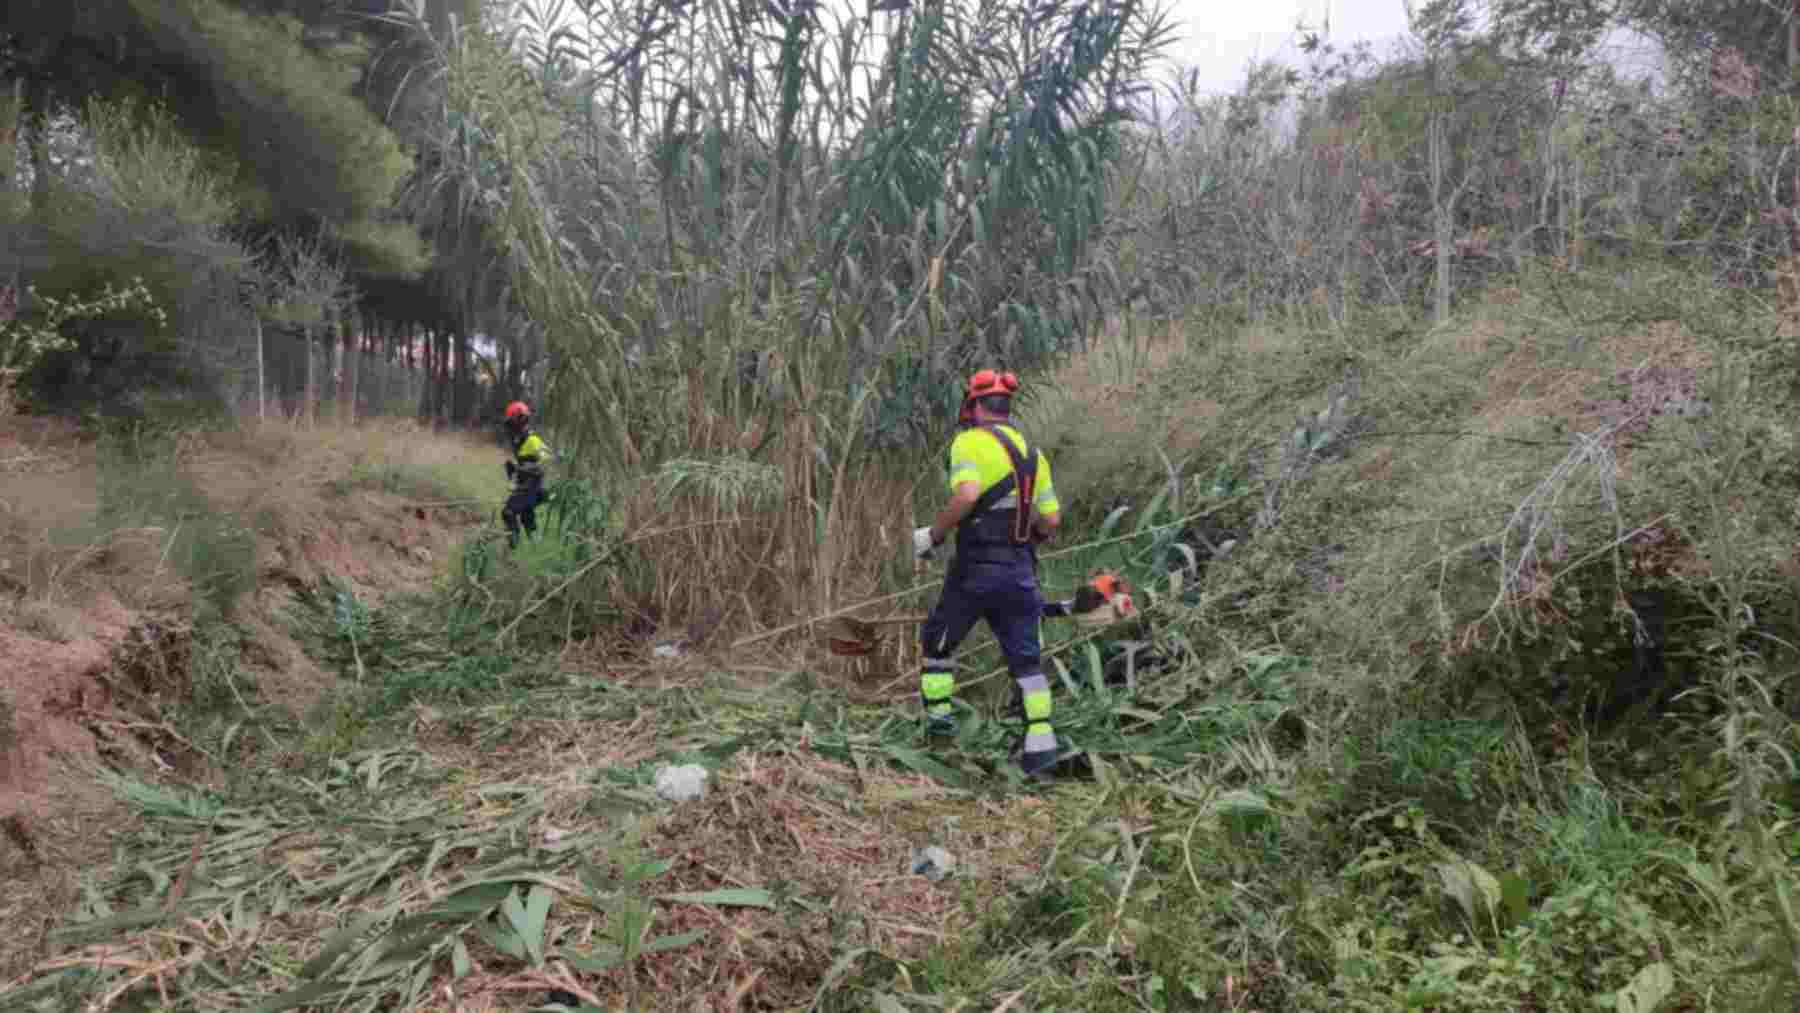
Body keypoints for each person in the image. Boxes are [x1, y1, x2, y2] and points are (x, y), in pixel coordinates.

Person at [913, 368, 1063, 778]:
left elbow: (966, 495)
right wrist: (1025, 535)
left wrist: (934, 535)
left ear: (976, 407)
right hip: (1020, 573)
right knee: (1027, 664)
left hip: (975, 571)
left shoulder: (968, 443)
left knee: (937, 646)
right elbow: (1051, 521)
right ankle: (1041, 752)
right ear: (1006, 408)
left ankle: (940, 736)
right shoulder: (1034, 453)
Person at [501, 400, 550, 547]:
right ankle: (534, 548)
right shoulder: (518, 441)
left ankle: (513, 548)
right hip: (525, 487)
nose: (510, 428)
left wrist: (520, 469)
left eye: (512, 423)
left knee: (508, 512)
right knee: (527, 518)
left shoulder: (532, 439)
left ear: (520, 421)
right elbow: (519, 468)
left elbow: (546, 462)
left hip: (533, 488)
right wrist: (513, 475)